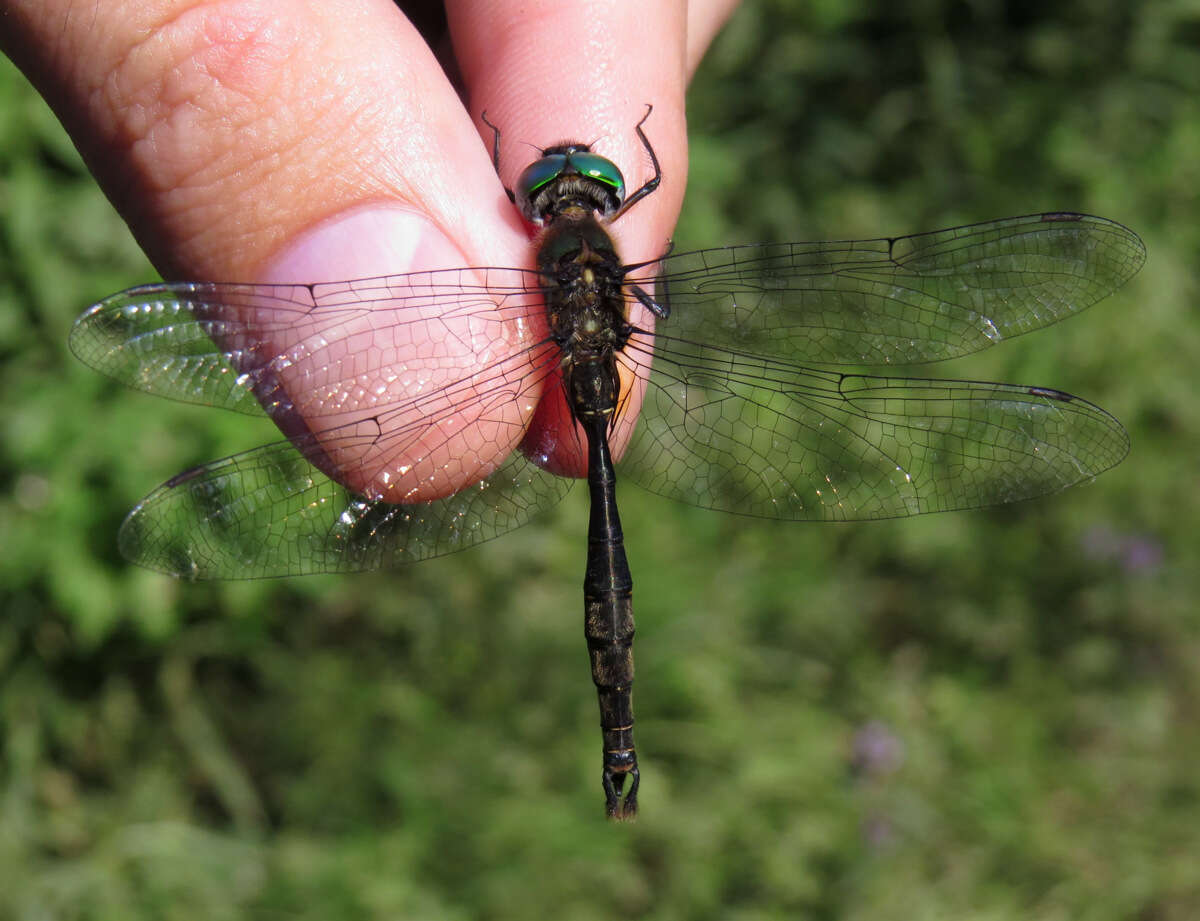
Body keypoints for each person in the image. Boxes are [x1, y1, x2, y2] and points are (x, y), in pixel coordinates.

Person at [1, 0, 738, 498]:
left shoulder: (528, 239)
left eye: (584, 180)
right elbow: (657, 185)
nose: (574, 180)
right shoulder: (614, 246)